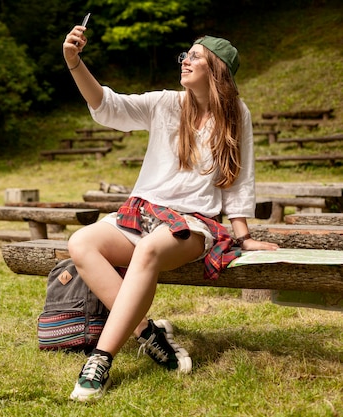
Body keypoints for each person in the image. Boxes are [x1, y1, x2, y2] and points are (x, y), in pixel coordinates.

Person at [62, 24, 280, 402]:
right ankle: (148, 334)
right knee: (81, 242)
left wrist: (244, 237)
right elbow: (107, 107)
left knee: (148, 250)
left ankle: (100, 359)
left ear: (217, 70)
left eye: (194, 56)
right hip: (143, 214)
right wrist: (74, 62)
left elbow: (240, 179)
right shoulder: (166, 103)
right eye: (185, 55)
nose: (184, 61)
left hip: (193, 224)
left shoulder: (235, 114)